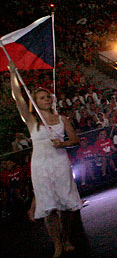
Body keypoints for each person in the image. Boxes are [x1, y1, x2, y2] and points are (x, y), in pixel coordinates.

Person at [8, 62, 81, 257]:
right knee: (49, 208)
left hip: (60, 163)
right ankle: (57, 243)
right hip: (41, 166)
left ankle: (66, 239)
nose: (47, 99)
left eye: (48, 96)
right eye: (42, 97)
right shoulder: (32, 122)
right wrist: (13, 74)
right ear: (36, 102)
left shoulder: (62, 119)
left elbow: (75, 140)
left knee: (66, 205)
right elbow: (18, 99)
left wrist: (62, 144)